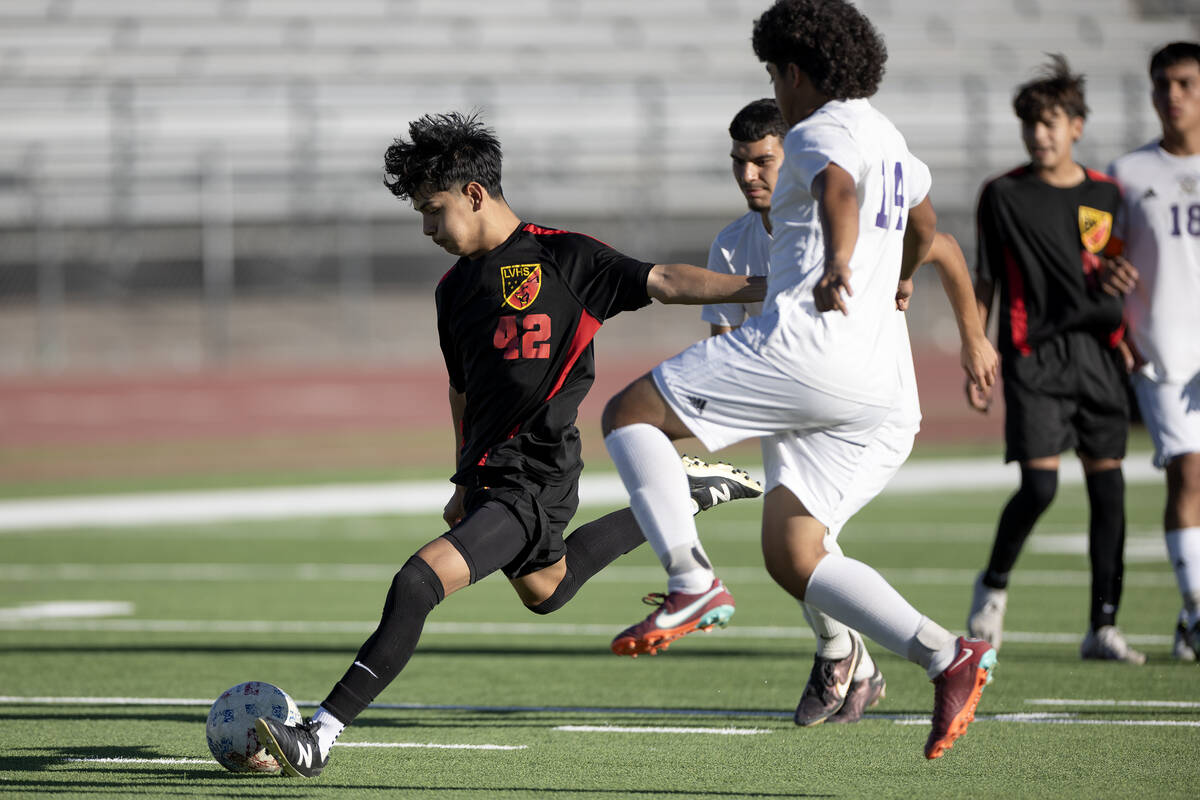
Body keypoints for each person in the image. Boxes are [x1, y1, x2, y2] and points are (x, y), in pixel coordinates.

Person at [253, 111, 765, 778]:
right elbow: (462, 390)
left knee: (416, 583)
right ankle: (683, 493)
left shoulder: (566, 258)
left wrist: (769, 289)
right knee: (547, 590)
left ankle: (319, 733)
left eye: (433, 211)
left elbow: (664, 281)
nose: (428, 229)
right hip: (492, 478)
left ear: (473, 194)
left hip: (539, 476)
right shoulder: (454, 288)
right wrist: (463, 482)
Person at [602, 0, 997, 759]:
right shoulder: (887, 132)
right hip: (879, 388)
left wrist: (842, 262)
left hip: (810, 352)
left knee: (628, 415)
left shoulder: (818, 132)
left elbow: (837, 193)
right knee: (795, 552)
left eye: (773, 74)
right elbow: (926, 224)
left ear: (793, 69)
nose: (776, 91)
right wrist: (902, 277)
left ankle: (690, 581)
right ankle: (948, 656)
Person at [700, 98, 998, 726]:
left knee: (809, 544)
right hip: (793, 422)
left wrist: (972, 338)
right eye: (739, 163)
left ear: (800, 157)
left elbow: (938, 244)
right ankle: (856, 662)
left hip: (874, 414)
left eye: (763, 162)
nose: (750, 175)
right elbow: (722, 346)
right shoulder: (732, 245)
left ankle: (865, 654)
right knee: (796, 550)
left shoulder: (851, 225)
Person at [965, 56, 1145, 664]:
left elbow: (1106, 263)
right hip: (1032, 357)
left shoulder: (1106, 194)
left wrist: (1118, 286)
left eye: (1051, 122)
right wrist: (977, 347)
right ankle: (991, 589)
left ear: (1077, 126)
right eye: (1030, 124)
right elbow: (985, 278)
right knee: (1039, 486)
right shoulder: (1003, 194)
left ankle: (1103, 627)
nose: (1039, 134)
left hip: (1097, 356)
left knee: (1111, 494)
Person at [1103, 41, 1200, 661]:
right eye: (1162, 83)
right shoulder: (1124, 173)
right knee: (1190, 474)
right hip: (1164, 353)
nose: (1173, 95)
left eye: (1187, 83)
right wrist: (1109, 285)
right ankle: (1196, 609)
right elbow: (1102, 257)